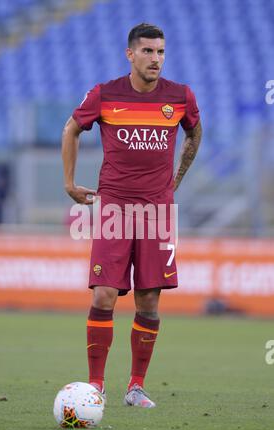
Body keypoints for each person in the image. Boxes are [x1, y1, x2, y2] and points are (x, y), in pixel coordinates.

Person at [62, 23, 202, 408]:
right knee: (105, 294)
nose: (155, 58)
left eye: (160, 52)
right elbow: (72, 129)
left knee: (149, 300)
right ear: (130, 55)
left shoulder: (180, 96)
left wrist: (177, 179)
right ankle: (95, 387)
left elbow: (194, 132)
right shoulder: (105, 94)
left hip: (157, 210)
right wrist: (70, 183)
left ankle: (136, 386)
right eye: (148, 52)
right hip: (114, 207)